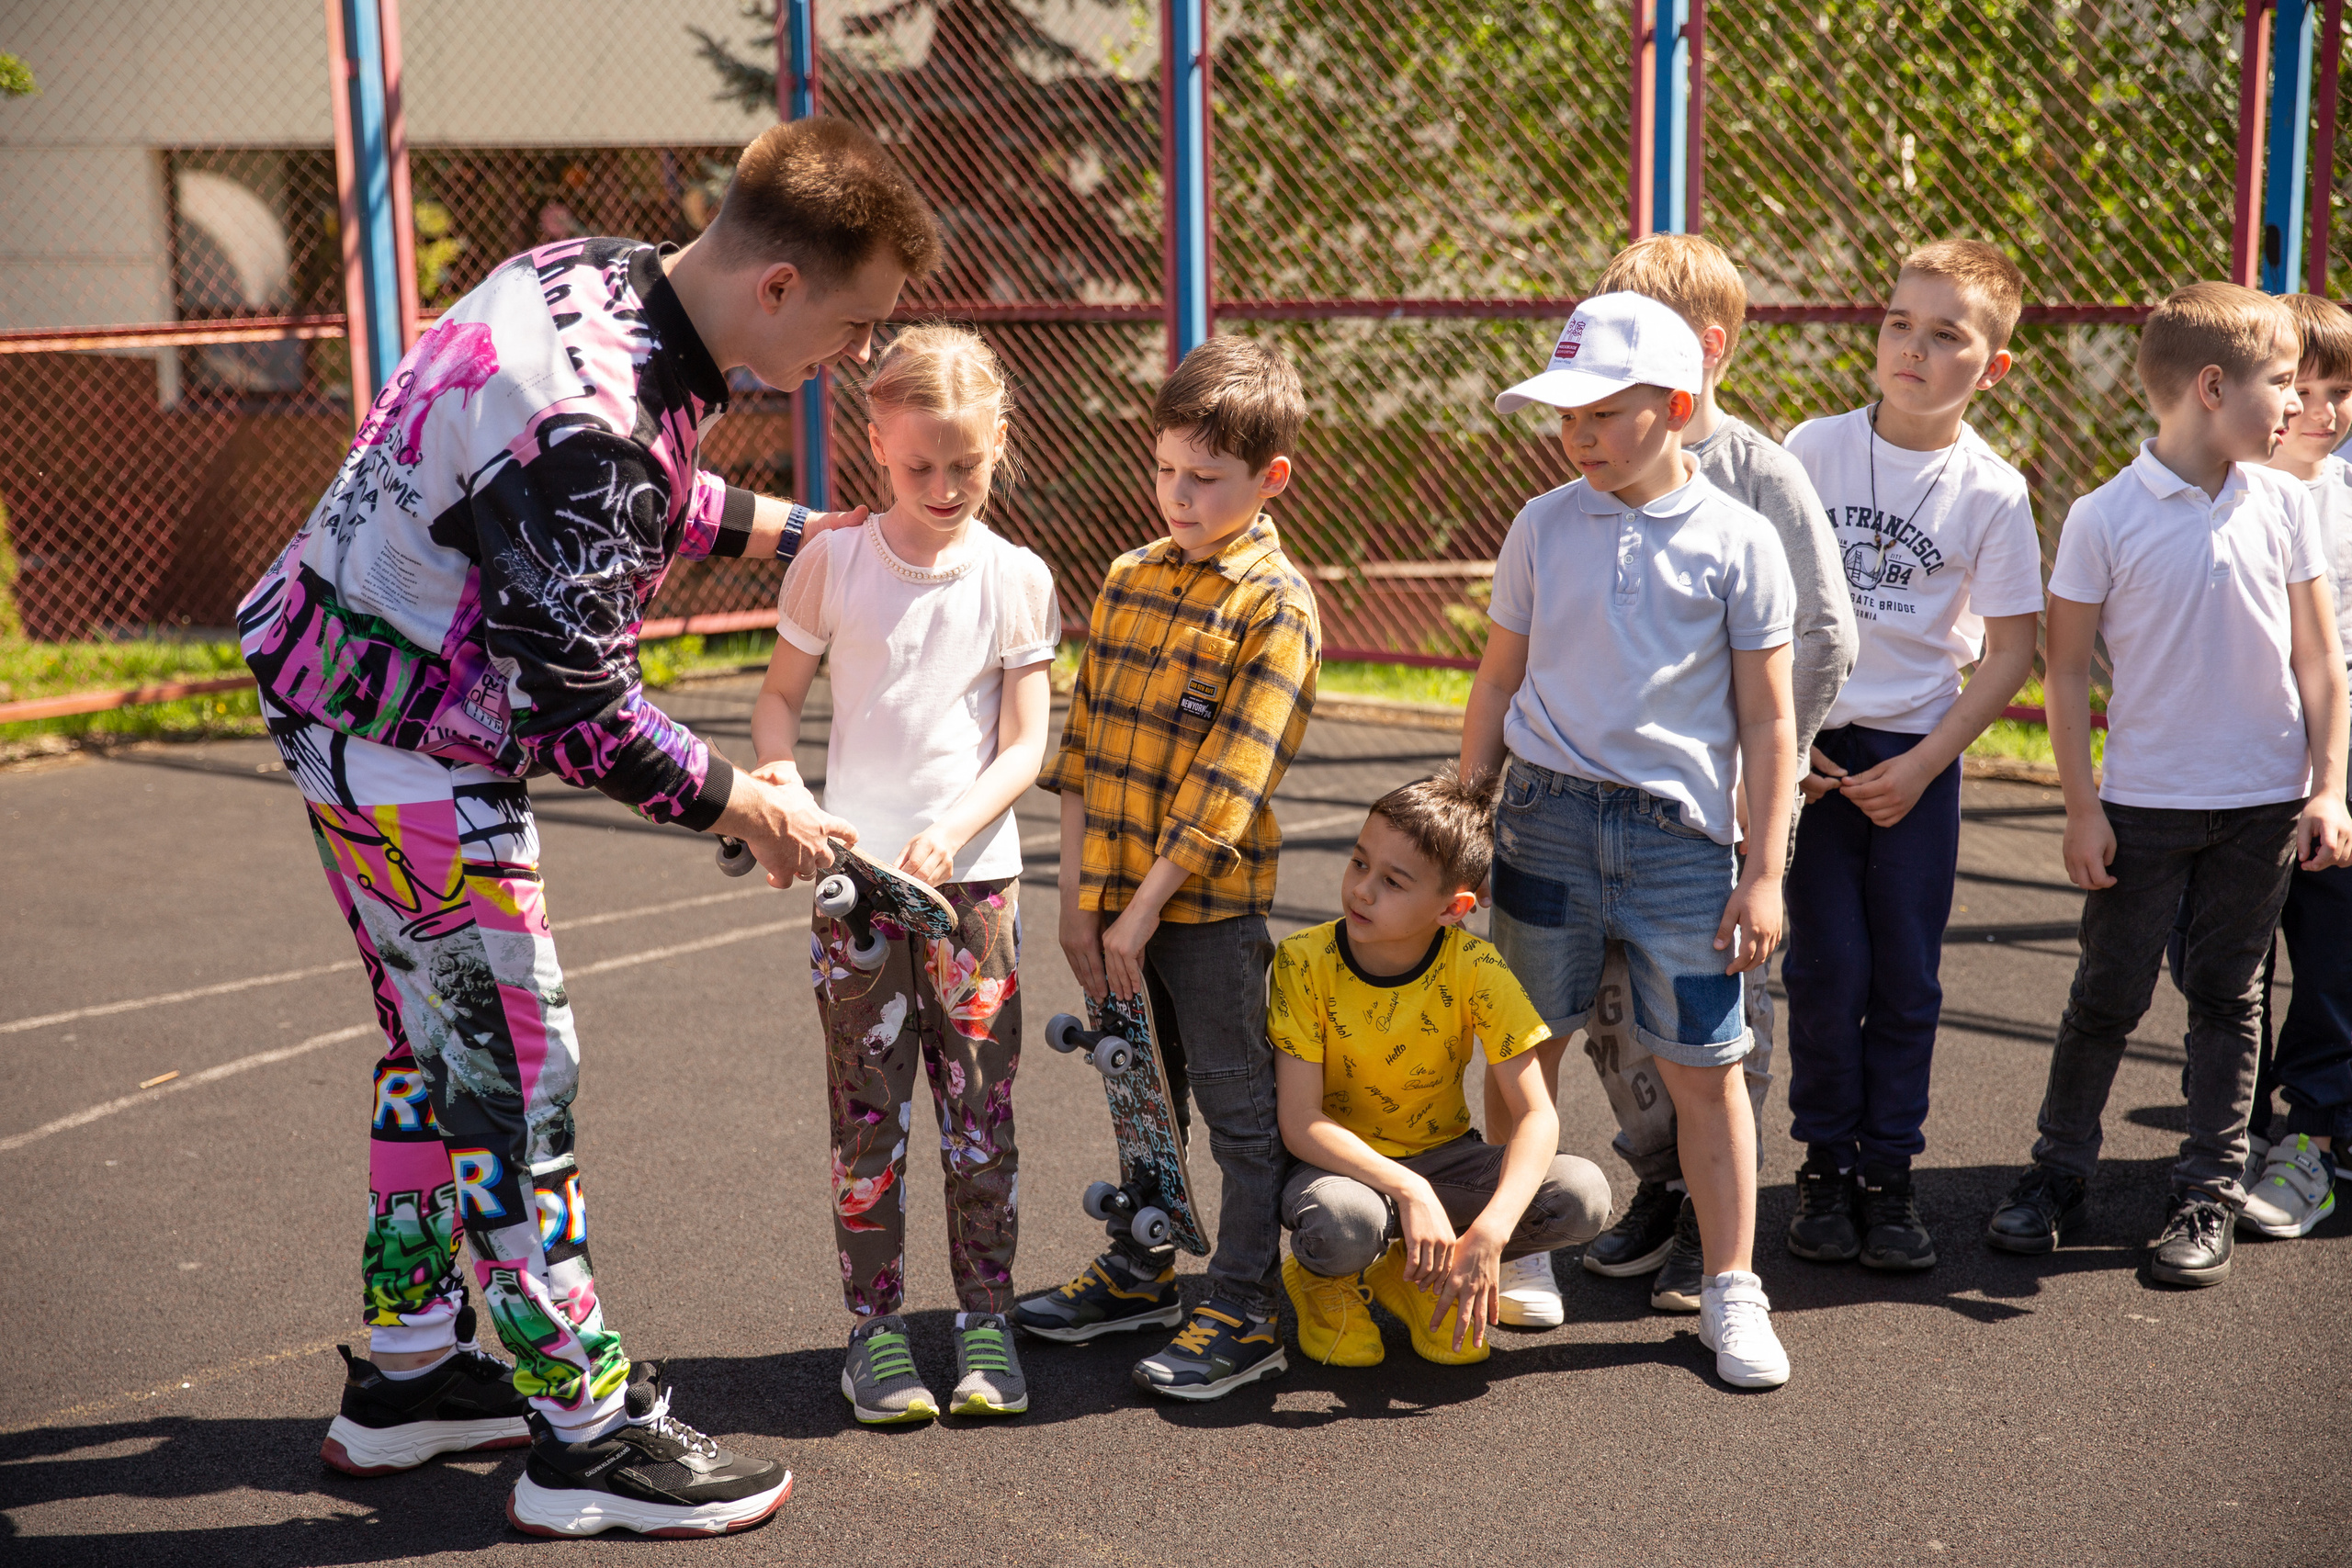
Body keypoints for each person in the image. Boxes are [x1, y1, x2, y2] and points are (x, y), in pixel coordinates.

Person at [237, 117, 939, 1536]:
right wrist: (755, 806)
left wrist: (804, 532)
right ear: (782, 287)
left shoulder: (598, 275)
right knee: (512, 1061)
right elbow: (580, 706)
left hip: (331, 681)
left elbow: (614, 495)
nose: (855, 360)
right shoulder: (599, 422)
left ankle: (413, 1371)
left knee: (429, 1044)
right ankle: (587, 1431)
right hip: (409, 748)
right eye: (856, 327)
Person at [1463, 291, 1802, 1389]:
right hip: (1542, 824)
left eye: (1601, 412)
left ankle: (1731, 1290)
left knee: (1709, 1072)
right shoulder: (1540, 524)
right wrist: (1472, 810)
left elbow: (1767, 721)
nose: (1576, 435)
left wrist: (1762, 873)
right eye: (1564, 415)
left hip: (1681, 850)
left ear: (1676, 403)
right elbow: (1498, 677)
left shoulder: (1741, 541)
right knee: (1525, 1049)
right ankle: (1526, 1248)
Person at [1984, 282, 2352, 1288]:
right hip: (2141, 807)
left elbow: (2321, 665)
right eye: (2279, 384)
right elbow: (2062, 670)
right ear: (2207, 387)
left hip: (2261, 808)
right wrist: (2080, 806)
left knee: (2231, 1000)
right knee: (2105, 996)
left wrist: (2327, 788)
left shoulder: (2284, 505)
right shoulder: (2104, 517)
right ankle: (2056, 1171)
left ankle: (2207, 1189)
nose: (2295, 406)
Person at [1544, 233, 1858, 1322]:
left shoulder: (1759, 477)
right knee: (1606, 1016)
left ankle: (1712, 1236)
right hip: (1593, 818)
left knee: (1719, 1032)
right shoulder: (1593, 466)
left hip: (1711, 822)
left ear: (1699, 354)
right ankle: (1661, 1180)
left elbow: (1818, 636)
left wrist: (1754, 791)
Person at [748, 327, 1056, 1424]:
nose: (943, 487)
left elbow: (1024, 746)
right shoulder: (832, 560)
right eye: (919, 465)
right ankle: (875, 1333)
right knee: (865, 1116)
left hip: (977, 896)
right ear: (875, 443)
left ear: (999, 446)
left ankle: (985, 1321)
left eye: (965, 466)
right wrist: (785, 783)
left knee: (981, 1117)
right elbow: (778, 700)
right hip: (856, 894)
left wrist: (956, 825)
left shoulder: (1017, 578)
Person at [1010, 336, 1319, 1402]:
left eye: (1205, 479)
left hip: (1207, 918)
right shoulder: (1129, 577)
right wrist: (1074, 904)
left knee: (1239, 1119)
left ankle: (1244, 1304)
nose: (1178, 497)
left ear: (1269, 478)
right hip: (1113, 913)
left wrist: (1137, 914)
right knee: (1142, 1095)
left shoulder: (1274, 606)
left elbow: (1223, 792)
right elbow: (1085, 750)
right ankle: (1144, 1267)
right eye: (1165, 471)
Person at [1777, 240, 2044, 1272]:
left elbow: (2012, 648)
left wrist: (1926, 761)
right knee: (1824, 964)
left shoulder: (1992, 491)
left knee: (1905, 980)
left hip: (1914, 760)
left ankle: (1889, 1177)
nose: (1914, 349)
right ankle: (1823, 1167)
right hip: (1815, 749)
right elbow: (1770, 609)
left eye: (1946, 336)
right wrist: (1785, 742)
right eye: (1900, 323)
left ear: (1992, 365)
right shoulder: (1812, 447)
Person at [1272, 767, 1611, 1368]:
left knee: (1581, 1193)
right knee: (1346, 1221)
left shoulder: (1476, 967)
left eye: (1393, 881)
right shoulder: (1305, 962)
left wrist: (1490, 1231)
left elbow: (1537, 1115)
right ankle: (1323, 1279)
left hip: (1444, 1159)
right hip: (1337, 1170)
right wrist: (1409, 1189)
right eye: (1358, 862)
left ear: (1453, 907)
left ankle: (1413, 1268)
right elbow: (1300, 1122)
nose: (1362, 890)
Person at [2234, 291, 2352, 1237]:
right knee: (2222, 969)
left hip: (2330, 776)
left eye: (2339, 390)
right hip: (2224, 776)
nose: (2317, 410)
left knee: (2326, 961)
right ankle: (2226, 1134)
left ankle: (2312, 1135)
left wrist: (2332, 782)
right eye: (2296, 387)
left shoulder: (2341, 502)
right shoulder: (2218, 492)